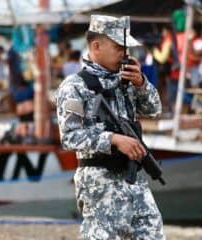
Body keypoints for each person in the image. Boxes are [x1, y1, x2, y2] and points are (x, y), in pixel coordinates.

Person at [56, 15, 164, 239]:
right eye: (118, 47)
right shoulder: (74, 87)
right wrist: (113, 139)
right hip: (99, 182)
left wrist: (142, 84)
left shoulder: (126, 79)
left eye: (126, 48)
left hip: (133, 180)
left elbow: (154, 110)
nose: (125, 54)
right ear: (96, 46)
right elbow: (70, 136)